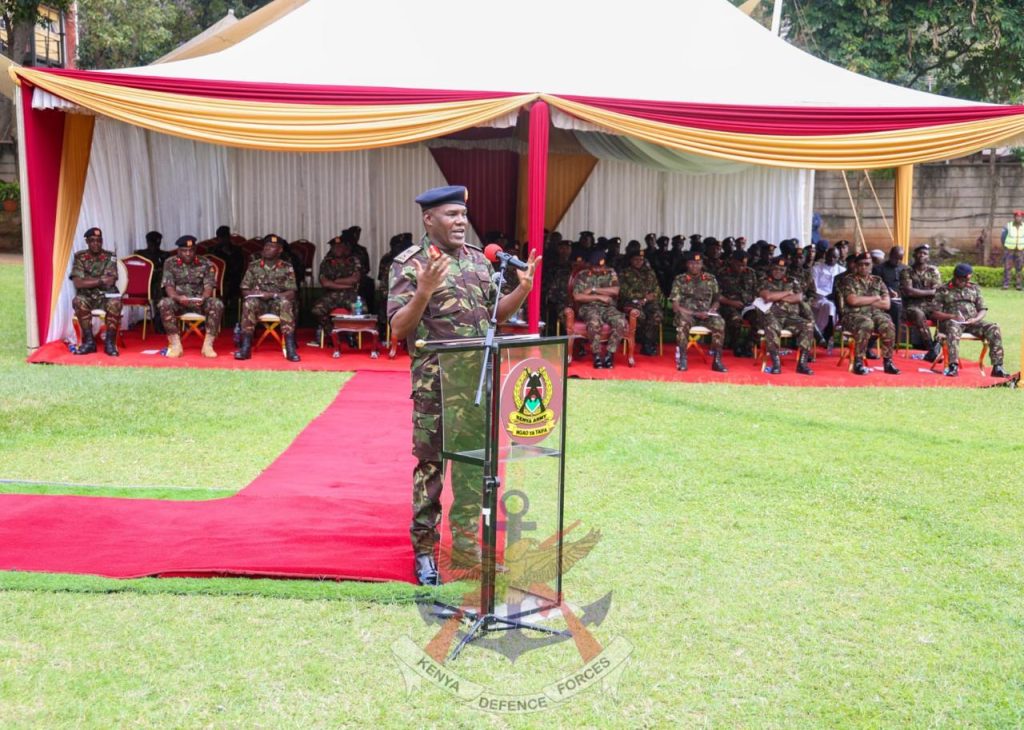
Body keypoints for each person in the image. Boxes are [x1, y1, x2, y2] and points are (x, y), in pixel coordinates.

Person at [388, 185, 538, 586]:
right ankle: (424, 551)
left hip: (478, 381)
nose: (460, 222)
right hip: (436, 384)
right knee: (432, 467)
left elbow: (496, 316)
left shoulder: (477, 261)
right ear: (428, 219)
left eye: (462, 214)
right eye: (451, 215)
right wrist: (422, 291)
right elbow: (398, 328)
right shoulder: (411, 263)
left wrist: (521, 290)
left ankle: (469, 548)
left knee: (475, 466)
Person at [930, 263, 1008, 378]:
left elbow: (982, 309)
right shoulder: (943, 290)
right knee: (953, 327)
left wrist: (975, 319)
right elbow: (934, 313)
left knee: (993, 327)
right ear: (956, 277)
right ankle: (953, 366)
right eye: (963, 280)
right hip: (953, 322)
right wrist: (952, 316)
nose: (966, 282)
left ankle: (998, 367)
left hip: (972, 322)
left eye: (967, 280)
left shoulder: (974, 288)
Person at [235, 234, 301, 362]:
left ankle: (290, 348)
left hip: (278, 303)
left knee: (286, 304)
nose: (267, 249)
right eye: (266, 246)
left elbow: (292, 293)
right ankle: (245, 348)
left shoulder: (286, 267)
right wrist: (252, 293)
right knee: (249, 303)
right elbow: (244, 290)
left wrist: (271, 295)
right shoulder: (254, 266)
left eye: (272, 246)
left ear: (280, 250)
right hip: (259, 303)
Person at [157, 235, 223, 358]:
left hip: (199, 301)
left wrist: (204, 297)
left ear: (195, 249)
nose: (188, 253)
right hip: (179, 301)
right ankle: (176, 345)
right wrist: (178, 298)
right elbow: (169, 287)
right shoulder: (170, 263)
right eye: (184, 250)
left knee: (217, 303)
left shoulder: (205, 263)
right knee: (164, 303)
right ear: (178, 251)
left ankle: (208, 345)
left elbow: (209, 286)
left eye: (191, 250)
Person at [836, 252, 900, 376]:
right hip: (853, 316)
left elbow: (886, 305)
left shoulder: (878, 281)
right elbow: (852, 301)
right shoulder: (848, 280)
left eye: (867, 264)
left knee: (888, 324)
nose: (863, 267)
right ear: (856, 265)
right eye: (860, 264)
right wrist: (875, 298)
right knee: (866, 323)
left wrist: (864, 301)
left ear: (871, 265)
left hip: (875, 314)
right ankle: (858, 362)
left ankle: (888, 362)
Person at [669, 251, 727, 372]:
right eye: (692, 263)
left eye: (698, 263)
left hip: (706, 314)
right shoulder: (680, 280)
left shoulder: (710, 279)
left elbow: (717, 299)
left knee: (720, 323)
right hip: (688, 315)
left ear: (702, 264)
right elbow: (675, 306)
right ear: (687, 264)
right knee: (682, 323)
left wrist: (714, 308)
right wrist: (695, 314)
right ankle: (683, 360)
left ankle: (717, 361)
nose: (695, 266)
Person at [757, 256, 815, 375]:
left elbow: (798, 297)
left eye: (782, 270)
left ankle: (802, 364)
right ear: (771, 268)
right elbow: (768, 297)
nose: (778, 272)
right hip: (773, 315)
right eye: (776, 269)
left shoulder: (792, 281)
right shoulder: (764, 281)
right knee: (771, 326)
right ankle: (776, 364)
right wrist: (788, 293)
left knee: (807, 326)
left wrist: (777, 296)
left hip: (791, 317)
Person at [70, 227, 122, 357]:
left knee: (115, 303)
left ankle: (110, 343)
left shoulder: (110, 257)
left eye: (99, 241)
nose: (96, 243)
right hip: (87, 296)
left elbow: (110, 280)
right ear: (87, 242)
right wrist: (100, 280)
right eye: (92, 241)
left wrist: (89, 280)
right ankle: (89, 342)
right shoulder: (80, 257)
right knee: (78, 301)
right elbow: (78, 283)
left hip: (106, 296)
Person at [572, 249, 627, 368]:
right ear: (590, 265)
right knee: (594, 322)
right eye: (594, 267)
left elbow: (615, 291)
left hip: (608, 308)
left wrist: (593, 290)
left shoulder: (610, 273)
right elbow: (577, 296)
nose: (597, 269)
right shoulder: (583, 275)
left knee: (621, 322)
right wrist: (600, 297)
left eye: (599, 267)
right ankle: (596, 355)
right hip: (588, 307)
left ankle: (609, 354)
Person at [310, 235, 363, 343]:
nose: (337, 249)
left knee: (361, 310)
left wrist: (335, 281)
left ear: (346, 248)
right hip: (331, 295)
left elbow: (355, 279)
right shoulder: (326, 263)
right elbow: (325, 283)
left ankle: (351, 333)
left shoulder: (353, 261)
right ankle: (331, 333)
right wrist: (346, 284)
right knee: (317, 310)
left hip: (350, 295)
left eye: (340, 247)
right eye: (334, 247)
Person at [900, 244, 942, 361]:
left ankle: (937, 344)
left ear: (928, 257)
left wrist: (916, 291)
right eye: (919, 253)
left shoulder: (933, 271)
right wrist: (929, 292)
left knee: (943, 315)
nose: (922, 256)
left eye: (925, 253)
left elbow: (937, 291)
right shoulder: (906, 271)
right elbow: (909, 292)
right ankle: (930, 348)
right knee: (918, 314)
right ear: (914, 255)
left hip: (930, 306)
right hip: (912, 307)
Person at [618, 250, 662, 356]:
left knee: (657, 316)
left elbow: (657, 289)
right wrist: (640, 298)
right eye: (636, 259)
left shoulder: (650, 272)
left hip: (648, 302)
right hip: (631, 302)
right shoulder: (624, 273)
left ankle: (647, 343)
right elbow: (623, 291)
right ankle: (643, 341)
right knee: (640, 316)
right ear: (631, 260)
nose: (639, 262)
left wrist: (647, 299)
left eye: (641, 259)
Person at [715, 249, 758, 357]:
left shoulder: (751, 273)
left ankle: (748, 344)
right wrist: (731, 302)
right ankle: (736, 345)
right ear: (732, 262)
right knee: (736, 320)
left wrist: (754, 302)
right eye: (739, 265)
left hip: (748, 306)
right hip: (729, 305)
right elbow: (716, 295)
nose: (742, 268)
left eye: (744, 265)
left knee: (759, 319)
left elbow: (756, 291)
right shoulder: (722, 273)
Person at [133, 230, 170, 334]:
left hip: (157, 286)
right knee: (159, 286)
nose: (155, 245)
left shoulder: (164, 255)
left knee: (161, 283)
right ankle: (159, 321)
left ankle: (160, 319)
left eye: (157, 242)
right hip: (144, 286)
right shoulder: (140, 254)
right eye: (153, 242)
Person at [810, 246, 844, 344]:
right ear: (826, 255)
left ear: (838, 258)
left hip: (836, 299)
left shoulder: (842, 270)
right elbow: (815, 287)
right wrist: (827, 295)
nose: (832, 259)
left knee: (835, 306)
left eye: (835, 257)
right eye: (830, 256)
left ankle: (833, 336)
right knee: (829, 306)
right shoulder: (816, 268)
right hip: (820, 298)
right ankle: (821, 334)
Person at [208, 225, 246, 308]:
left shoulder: (236, 249)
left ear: (229, 237)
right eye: (221, 238)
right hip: (215, 277)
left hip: (232, 276)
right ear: (217, 238)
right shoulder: (212, 250)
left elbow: (239, 267)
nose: (224, 240)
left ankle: (229, 306)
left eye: (225, 237)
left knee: (231, 284)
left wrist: (229, 254)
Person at [1000, 209, 1024, 290]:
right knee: (1007, 267)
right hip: (1009, 250)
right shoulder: (1008, 225)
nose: (1019, 218)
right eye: (1017, 216)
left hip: (1020, 250)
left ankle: (1018, 285)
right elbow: (1003, 236)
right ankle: (1006, 284)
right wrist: (1005, 246)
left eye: (1020, 217)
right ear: (1014, 217)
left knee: (1019, 268)